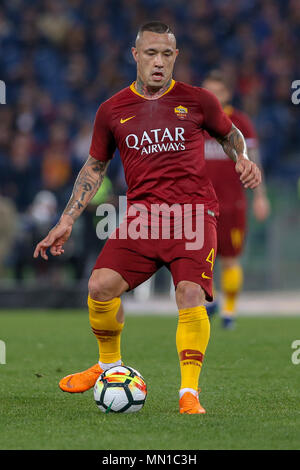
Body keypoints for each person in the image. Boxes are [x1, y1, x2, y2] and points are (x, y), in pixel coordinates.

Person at [33, 22, 261, 414]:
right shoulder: (112, 109)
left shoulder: (198, 100)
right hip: (143, 217)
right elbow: (94, 167)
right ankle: (107, 365)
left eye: (167, 54)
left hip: (193, 215)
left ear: (176, 57)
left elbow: (230, 133)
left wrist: (242, 157)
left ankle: (189, 393)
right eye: (151, 53)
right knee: (99, 286)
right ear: (135, 55)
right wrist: (67, 219)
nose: (159, 62)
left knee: (189, 294)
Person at [202, 70, 270, 329]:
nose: (213, 97)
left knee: (230, 259)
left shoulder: (240, 122)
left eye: (217, 92)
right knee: (198, 258)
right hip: (201, 206)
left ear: (227, 94)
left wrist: (260, 197)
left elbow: (254, 159)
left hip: (233, 205)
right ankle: (212, 301)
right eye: (208, 92)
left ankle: (229, 312)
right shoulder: (196, 122)